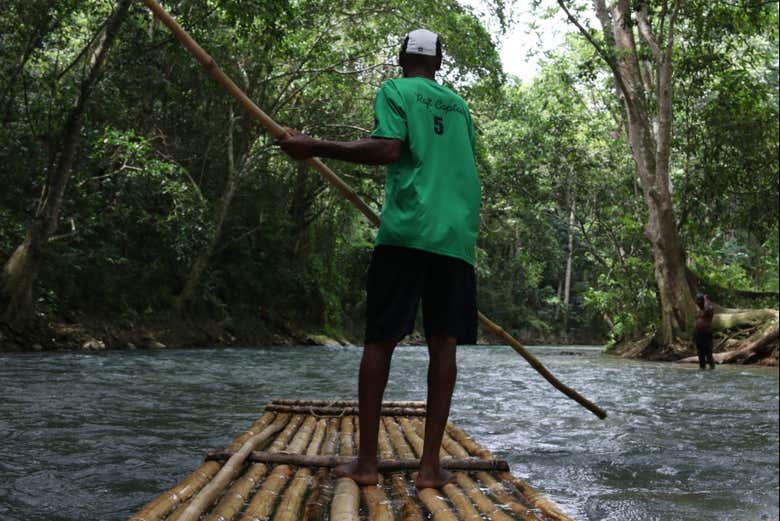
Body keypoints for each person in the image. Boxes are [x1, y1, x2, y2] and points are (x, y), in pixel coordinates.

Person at [275, 28, 480, 489]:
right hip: (456, 237)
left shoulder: (394, 90)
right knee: (443, 344)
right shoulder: (459, 106)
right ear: (438, 64)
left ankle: (367, 463)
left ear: (401, 58)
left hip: (407, 233)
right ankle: (430, 467)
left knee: (380, 342)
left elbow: (389, 148)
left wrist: (315, 147)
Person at [694, 293, 715, 370]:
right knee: (700, 354)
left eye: (700, 300)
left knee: (709, 353)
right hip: (698, 335)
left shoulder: (709, 308)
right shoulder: (698, 309)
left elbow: (707, 310)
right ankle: (702, 369)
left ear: (703, 301)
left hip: (707, 335)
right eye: (697, 300)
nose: (698, 302)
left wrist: (705, 299)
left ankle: (712, 369)